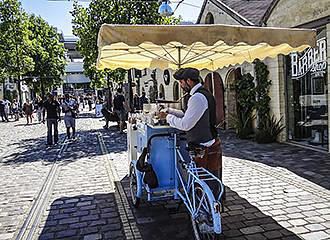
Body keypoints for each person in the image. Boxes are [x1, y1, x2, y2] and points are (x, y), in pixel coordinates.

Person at [159, 68, 223, 198]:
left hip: (203, 145)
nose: (181, 86)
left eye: (182, 83)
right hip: (207, 141)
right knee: (208, 179)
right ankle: (208, 204)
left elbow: (185, 125)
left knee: (205, 182)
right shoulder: (201, 94)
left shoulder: (197, 98)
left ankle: (206, 209)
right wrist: (170, 111)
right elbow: (188, 115)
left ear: (189, 81)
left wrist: (167, 118)